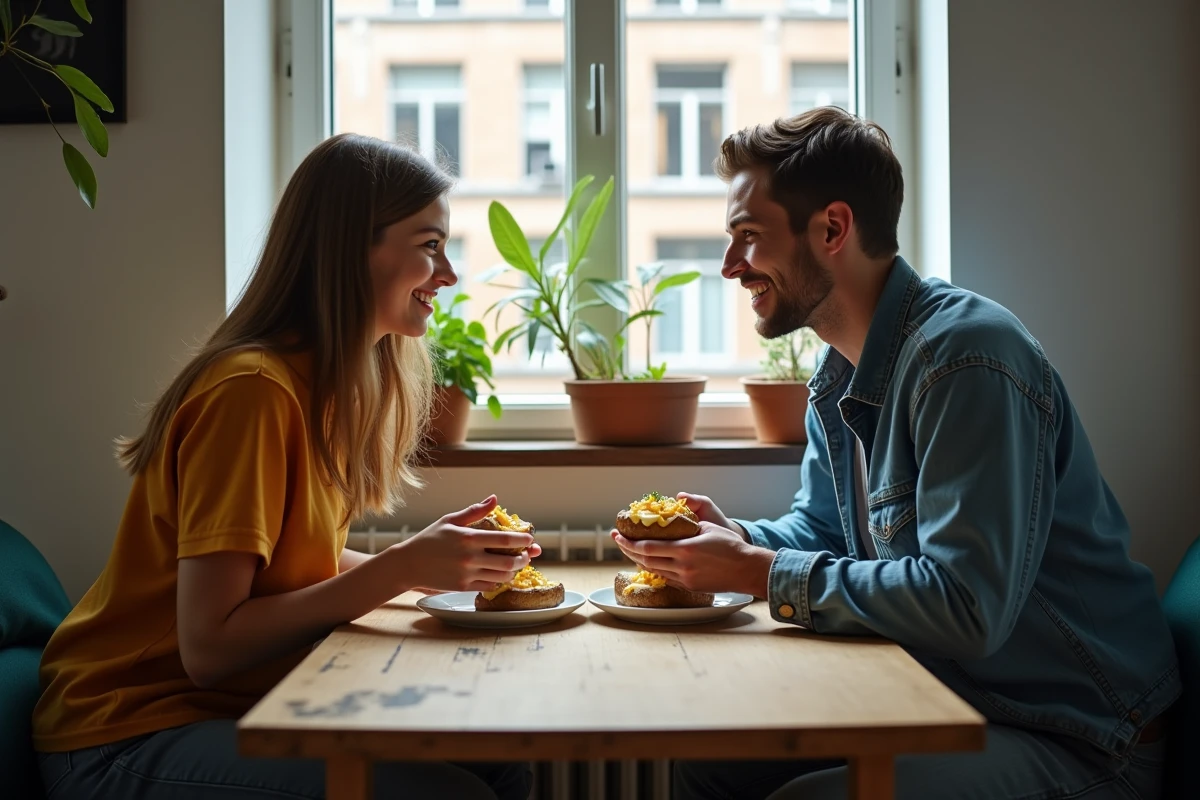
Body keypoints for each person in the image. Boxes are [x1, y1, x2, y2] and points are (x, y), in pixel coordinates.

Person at [611, 108, 1180, 800]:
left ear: (832, 229)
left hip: (1082, 736)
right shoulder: (840, 375)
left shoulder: (967, 360)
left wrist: (758, 572)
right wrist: (736, 539)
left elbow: (965, 607)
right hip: (951, 699)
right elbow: (823, 531)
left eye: (748, 236)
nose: (730, 266)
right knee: (709, 762)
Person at [32, 134, 533, 800]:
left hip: (222, 711)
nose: (448, 275)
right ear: (350, 249)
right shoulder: (253, 391)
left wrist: (434, 567)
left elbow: (292, 564)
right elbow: (210, 649)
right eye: (430, 245)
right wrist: (401, 568)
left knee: (501, 760)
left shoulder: (319, 387)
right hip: (125, 732)